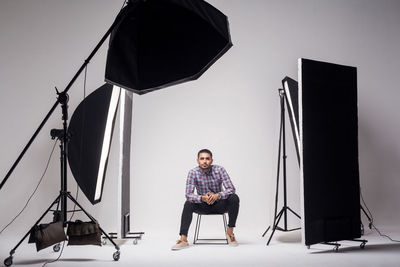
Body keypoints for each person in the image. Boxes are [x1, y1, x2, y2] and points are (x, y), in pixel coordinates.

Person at [171, 149, 240, 250]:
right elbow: (188, 194)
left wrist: (217, 195)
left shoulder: (220, 170)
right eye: (202, 159)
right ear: (198, 160)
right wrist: (202, 198)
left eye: (207, 159)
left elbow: (231, 189)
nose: (204, 161)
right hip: (202, 205)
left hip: (219, 204)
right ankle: (183, 239)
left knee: (234, 197)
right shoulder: (193, 172)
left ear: (211, 160)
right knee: (188, 203)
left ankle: (230, 233)